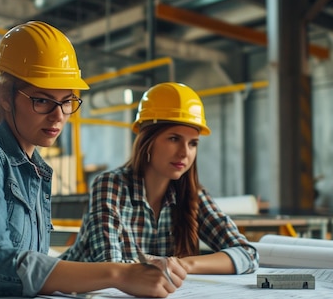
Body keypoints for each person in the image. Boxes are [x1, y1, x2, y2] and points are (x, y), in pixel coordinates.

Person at [0, 21, 186, 299]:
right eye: (42, 100)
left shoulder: (37, 172)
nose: (58, 115)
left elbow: (30, 266)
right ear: (5, 96)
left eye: (67, 101)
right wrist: (119, 274)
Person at [60, 82, 259, 275]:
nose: (184, 153)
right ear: (148, 141)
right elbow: (112, 267)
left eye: (193, 144)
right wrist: (164, 267)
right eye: (174, 139)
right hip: (72, 298)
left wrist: (183, 265)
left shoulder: (192, 195)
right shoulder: (111, 186)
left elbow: (248, 254)